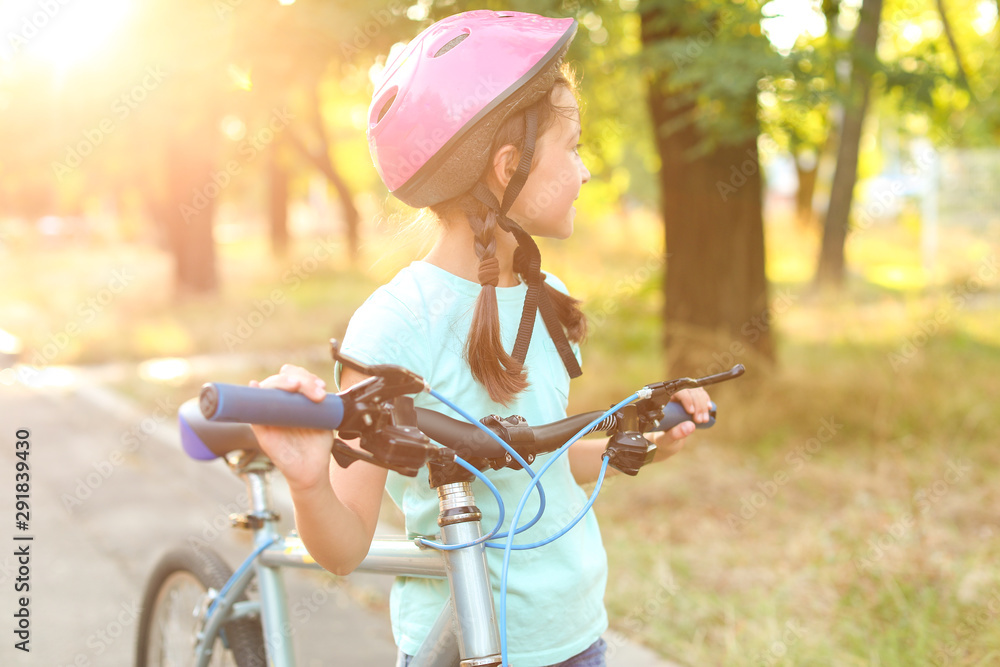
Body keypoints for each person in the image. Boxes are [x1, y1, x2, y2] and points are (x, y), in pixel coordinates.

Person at [249, 10, 712, 667]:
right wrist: (307, 482)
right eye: (574, 146)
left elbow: (536, 467)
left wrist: (638, 445)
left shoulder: (540, 297)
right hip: (464, 648)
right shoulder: (394, 325)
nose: (585, 172)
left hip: (577, 636)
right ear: (508, 166)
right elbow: (346, 547)